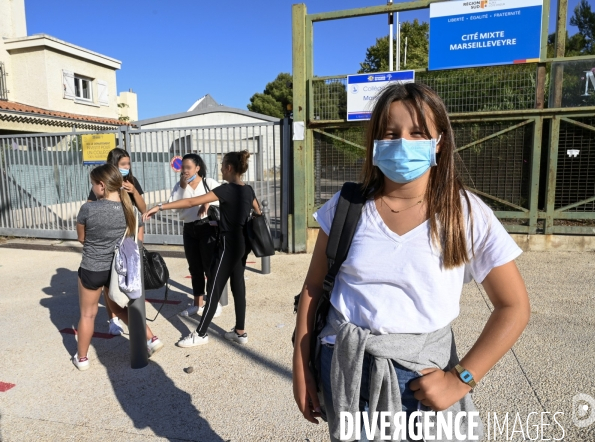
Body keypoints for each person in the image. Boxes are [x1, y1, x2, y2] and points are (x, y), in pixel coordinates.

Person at [292, 83, 530, 441]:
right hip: (343, 365)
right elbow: (313, 286)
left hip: (419, 380)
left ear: (439, 142)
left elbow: (513, 307)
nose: (402, 143)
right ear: (374, 143)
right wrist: (301, 363)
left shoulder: (465, 213)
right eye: (390, 133)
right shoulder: (345, 207)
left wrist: (461, 379)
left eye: (417, 133)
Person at [144, 150, 261, 347]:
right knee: (238, 287)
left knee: (214, 287)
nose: (221, 169)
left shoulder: (225, 189)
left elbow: (190, 201)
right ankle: (240, 332)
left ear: (230, 168)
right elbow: (258, 211)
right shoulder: (248, 189)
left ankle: (201, 333)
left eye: (223, 165)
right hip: (242, 244)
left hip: (228, 245)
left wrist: (160, 207)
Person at [73, 164, 163, 371]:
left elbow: (81, 238)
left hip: (92, 268)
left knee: (88, 314)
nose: (93, 188)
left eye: (93, 184)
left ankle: (82, 358)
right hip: (119, 269)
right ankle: (151, 338)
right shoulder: (130, 210)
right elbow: (135, 239)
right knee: (118, 307)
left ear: (102, 185)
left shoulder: (88, 208)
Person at [87, 147, 146, 336]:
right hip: (111, 239)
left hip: (131, 236)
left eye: (128, 164)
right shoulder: (103, 184)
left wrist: (134, 191)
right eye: (122, 164)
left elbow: (143, 209)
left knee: (129, 276)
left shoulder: (132, 181)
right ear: (114, 165)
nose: (127, 167)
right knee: (110, 280)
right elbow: (91, 207)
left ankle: (133, 314)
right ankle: (113, 319)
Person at [168, 153, 222, 317]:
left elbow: (222, 197)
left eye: (188, 167)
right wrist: (183, 187)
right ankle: (197, 303)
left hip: (207, 227)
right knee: (194, 268)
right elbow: (175, 207)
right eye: (183, 167)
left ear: (197, 168)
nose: (184, 170)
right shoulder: (179, 186)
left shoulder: (209, 182)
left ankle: (214, 302)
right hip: (189, 229)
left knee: (209, 267)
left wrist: (207, 201)